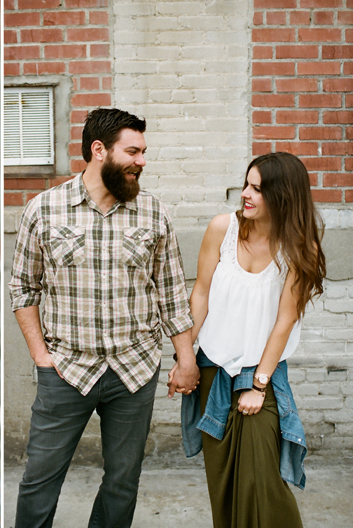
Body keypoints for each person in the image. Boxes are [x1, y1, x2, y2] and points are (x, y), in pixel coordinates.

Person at [9, 107, 199, 528]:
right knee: (40, 479)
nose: (142, 161)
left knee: (123, 480)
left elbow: (170, 292)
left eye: (144, 152)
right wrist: (42, 357)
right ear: (99, 150)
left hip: (134, 370)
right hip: (67, 370)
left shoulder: (154, 213)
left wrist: (186, 358)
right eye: (133, 151)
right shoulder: (44, 210)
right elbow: (23, 288)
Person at [182, 151, 326, 527]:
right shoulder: (221, 229)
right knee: (224, 483)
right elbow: (200, 293)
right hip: (212, 371)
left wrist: (259, 386)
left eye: (257, 189)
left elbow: (284, 321)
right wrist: (185, 357)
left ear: (282, 197)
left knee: (265, 485)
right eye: (246, 184)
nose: (246, 194)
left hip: (259, 377)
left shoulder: (298, 248)